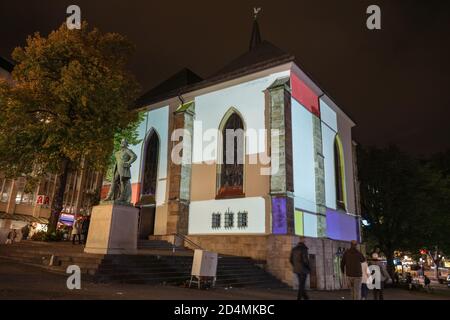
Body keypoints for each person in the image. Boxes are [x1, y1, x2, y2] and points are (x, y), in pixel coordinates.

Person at [104, 139, 137, 203]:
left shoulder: (128, 151)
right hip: (117, 169)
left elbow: (134, 156)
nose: (122, 143)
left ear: (126, 144)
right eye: (121, 142)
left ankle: (122, 197)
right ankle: (109, 196)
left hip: (123, 169)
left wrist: (128, 162)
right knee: (113, 182)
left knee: (123, 183)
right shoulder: (117, 152)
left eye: (123, 142)